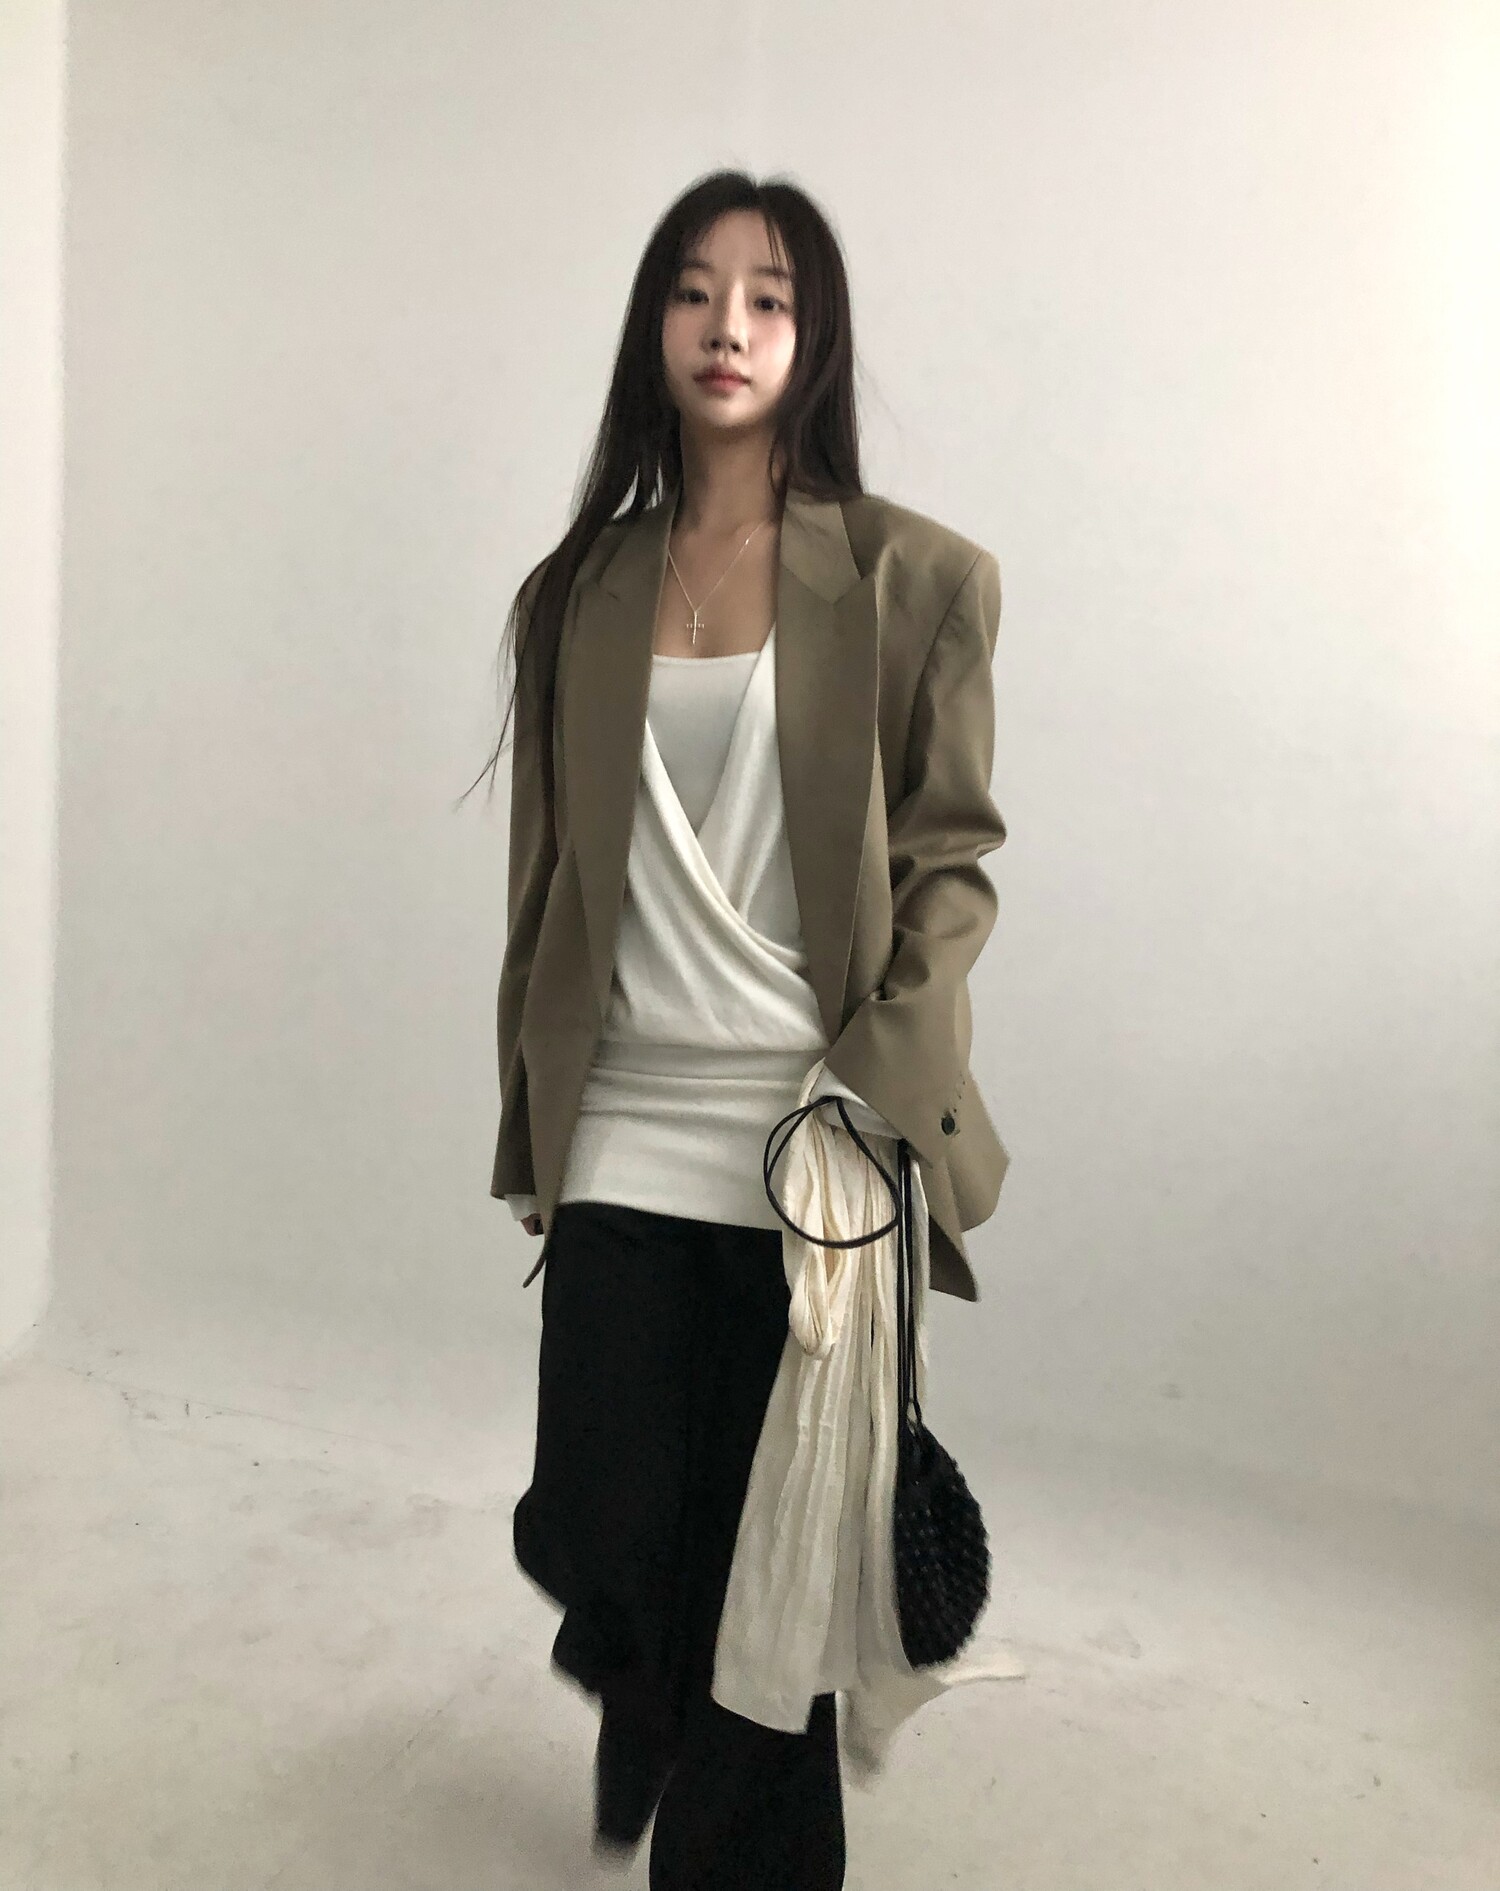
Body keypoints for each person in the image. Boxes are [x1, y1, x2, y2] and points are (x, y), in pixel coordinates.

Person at [463, 167, 1010, 1890]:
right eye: (695, 291)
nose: (728, 326)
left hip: (814, 1135)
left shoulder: (915, 579)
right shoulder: (579, 590)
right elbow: (548, 883)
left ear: (812, 334)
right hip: (627, 1111)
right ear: (655, 325)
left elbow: (948, 865)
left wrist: (880, 1079)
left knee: (769, 1582)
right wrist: (533, 1125)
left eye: (768, 296)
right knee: (602, 1516)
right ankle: (638, 1679)